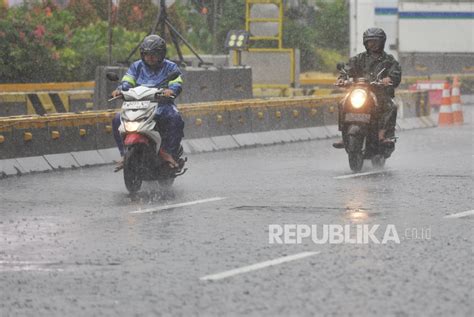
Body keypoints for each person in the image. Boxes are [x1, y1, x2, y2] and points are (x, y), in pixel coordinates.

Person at [111, 34, 185, 170]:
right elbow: (127, 81)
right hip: (137, 105)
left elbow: (176, 82)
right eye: (147, 54)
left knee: (175, 118)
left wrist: (171, 90)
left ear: (161, 54)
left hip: (162, 104)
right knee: (117, 119)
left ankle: (169, 153)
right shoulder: (136, 67)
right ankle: (124, 154)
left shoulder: (171, 67)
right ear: (142, 54)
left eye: (154, 54)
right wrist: (120, 90)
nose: (150, 57)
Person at [333, 27, 402, 149]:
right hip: (360, 92)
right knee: (342, 103)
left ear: (382, 43)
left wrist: (389, 79)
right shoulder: (359, 59)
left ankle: (383, 135)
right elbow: (348, 70)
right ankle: (344, 136)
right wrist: (342, 78)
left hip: (380, 93)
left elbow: (395, 73)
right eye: (370, 42)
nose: (373, 44)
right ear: (366, 43)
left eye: (376, 42)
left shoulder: (389, 60)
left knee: (391, 106)